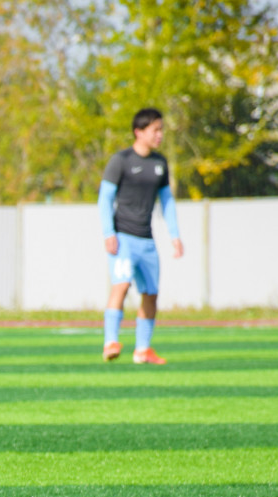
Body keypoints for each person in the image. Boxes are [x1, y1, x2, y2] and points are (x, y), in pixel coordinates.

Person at [98, 107, 184, 364]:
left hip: (147, 241)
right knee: (121, 285)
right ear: (139, 132)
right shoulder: (121, 161)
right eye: (155, 129)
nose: (160, 134)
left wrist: (175, 235)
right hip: (123, 237)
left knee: (151, 293)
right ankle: (110, 341)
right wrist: (108, 232)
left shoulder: (160, 164)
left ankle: (142, 349)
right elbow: (105, 199)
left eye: (161, 129)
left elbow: (167, 201)